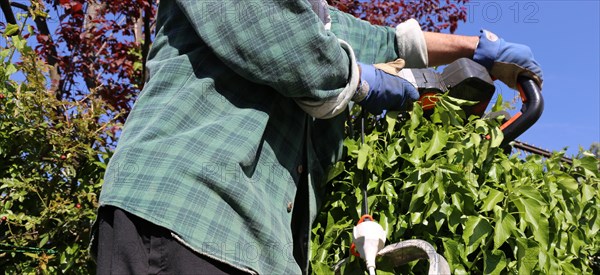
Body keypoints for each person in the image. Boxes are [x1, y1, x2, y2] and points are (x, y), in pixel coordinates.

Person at [91, 1, 542, 274]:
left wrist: (477, 49)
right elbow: (292, 48)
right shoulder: (288, 18)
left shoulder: (309, 11)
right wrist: (362, 81)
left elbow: (382, 43)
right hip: (188, 212)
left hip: (263, 247)